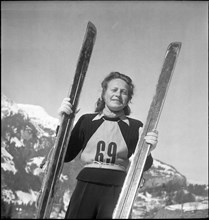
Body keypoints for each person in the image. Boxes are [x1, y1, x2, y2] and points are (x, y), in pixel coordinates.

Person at [57, 71, 159, 219]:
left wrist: (148, 151)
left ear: (128, 99)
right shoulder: (86, 121)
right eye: (114, 90)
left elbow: (143, 165)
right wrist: (62, 125)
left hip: (117, 188)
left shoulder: (135, 127)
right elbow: (65, 155)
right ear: (103, 94)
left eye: (124, 92)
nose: (118, 94)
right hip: (86, 184)